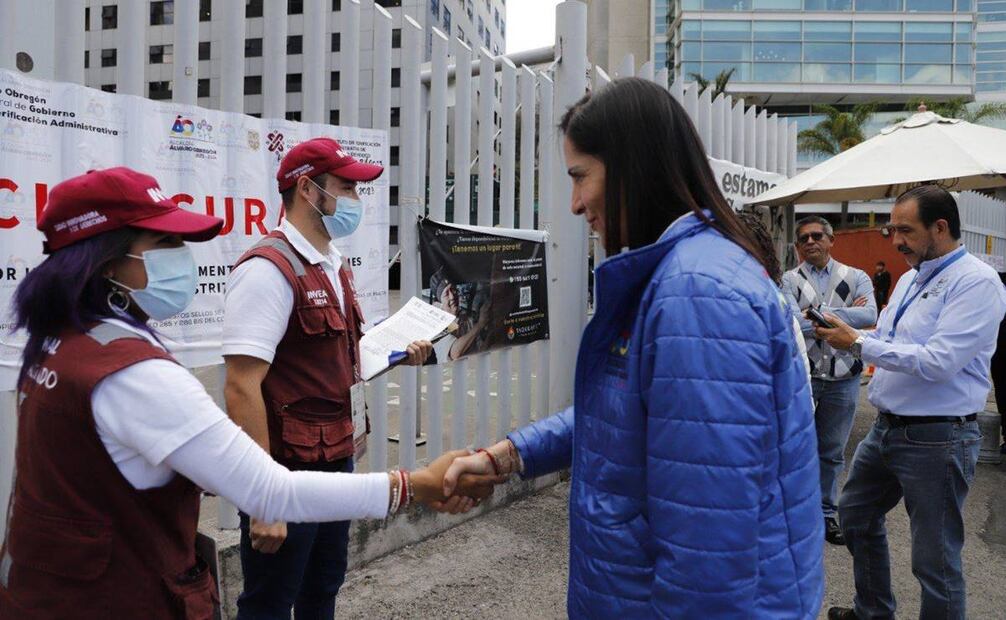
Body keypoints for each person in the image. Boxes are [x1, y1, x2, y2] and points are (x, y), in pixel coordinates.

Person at [0, 167, 493, 619]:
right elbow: (269, 484)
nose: (183, 256)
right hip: (117, 597)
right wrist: (415, 485)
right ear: (106, 261)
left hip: (51, 592)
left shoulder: (61, 343)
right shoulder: (133, 373)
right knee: (273, 599)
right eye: (165, 240)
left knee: (321, 585)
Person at [441, 78, 824, 617]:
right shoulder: (680, 276)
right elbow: (634, 414)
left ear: (632, 170)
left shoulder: (696, 292)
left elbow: (706, 542)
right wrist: (512, 454)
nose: (574, 204)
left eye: (580, 177)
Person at [221, 137, 438, 619]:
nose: (356, 200)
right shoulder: (267, 270)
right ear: (307, 189)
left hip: (334, 456)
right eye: (347, 187)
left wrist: (396, 353)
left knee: (322, 590)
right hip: (287, 473)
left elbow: (335, 353)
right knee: (270, 602)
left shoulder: (333, 265)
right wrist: (264, 498)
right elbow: (241, 385)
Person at [815, 185, 1006, 620]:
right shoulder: (908, 277)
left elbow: (940, 362)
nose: (896, 240)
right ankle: (873, 611)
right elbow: (887, 338)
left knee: (934, 560)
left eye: (905, 229)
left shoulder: (977, 282)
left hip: (939, 437)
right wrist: (847, 332)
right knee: (856, 516)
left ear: (940, 227)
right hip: (887, 427)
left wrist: (860, 343)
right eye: (891, 229)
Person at [782, 216, 877, 546]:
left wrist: (815, 313)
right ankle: (795, 513)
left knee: (832, 452)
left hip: (844, 378)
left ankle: (825, 514)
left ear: (831, 240)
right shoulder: (788, 279)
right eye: (804, 238)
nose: (810, 241)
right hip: (803, 377)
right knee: (795, 447)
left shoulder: (857, 276)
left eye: (817, 235)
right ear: (798, 246)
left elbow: (871, 316)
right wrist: (842, 314)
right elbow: (791, 322)